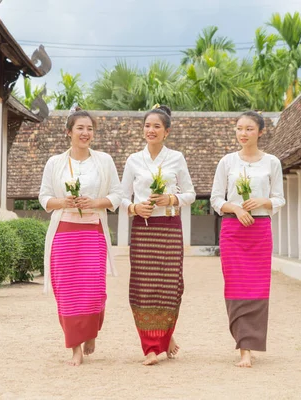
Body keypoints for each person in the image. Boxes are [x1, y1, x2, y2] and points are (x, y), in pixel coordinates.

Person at [39, 108, 122, 366]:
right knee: (67, 291)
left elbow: (117, 195)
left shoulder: (104, 161)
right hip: (64, 233)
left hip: (93, 232)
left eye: (89, 129)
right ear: (69, 132)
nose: (85, 133)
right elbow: (44, 198)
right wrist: (63, 201)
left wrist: (96, 202)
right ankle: (74, 346)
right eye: (80, 128)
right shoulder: (55, 163)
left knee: (95, 290)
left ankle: (91, 332)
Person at [121, 104, 196, 366]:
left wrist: (171, 198)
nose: (150, 130)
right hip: (144, 229)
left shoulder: (176, 158)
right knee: (143, 287)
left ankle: (166, 336)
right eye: (147, 125)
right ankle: (151, 347)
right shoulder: (133, 160)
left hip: (169, 228)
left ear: (166, 132)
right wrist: (133, 207)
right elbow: (120, 195)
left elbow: (191, 194)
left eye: (156, 126)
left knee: (171, 286)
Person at [210, 111, 285, 368]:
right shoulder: (227, 162)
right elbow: (216, 199)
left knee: (257, 287)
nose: (243, 133)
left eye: (249, 129)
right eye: (239, 128)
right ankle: (243, 346)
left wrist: (263, 202)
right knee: (235, 286)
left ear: (260, 132)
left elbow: (279, 198)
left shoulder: (272, 162)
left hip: (260, 229)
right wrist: (237, 208)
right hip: (233, 230)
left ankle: (250, 345)